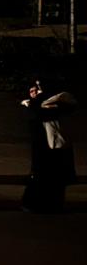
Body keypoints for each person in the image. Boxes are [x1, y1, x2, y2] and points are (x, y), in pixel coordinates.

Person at [21, 78, 77, 213]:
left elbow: (47, 111)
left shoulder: (58, 101)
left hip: (56, 146)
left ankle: (49, 206)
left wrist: (37, 102)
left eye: (37, 90)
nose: (34, 93)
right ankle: (38, 205)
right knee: (43, 177)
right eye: (32, 90)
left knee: (53, 178)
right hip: (45, 146)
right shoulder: (37, 105)